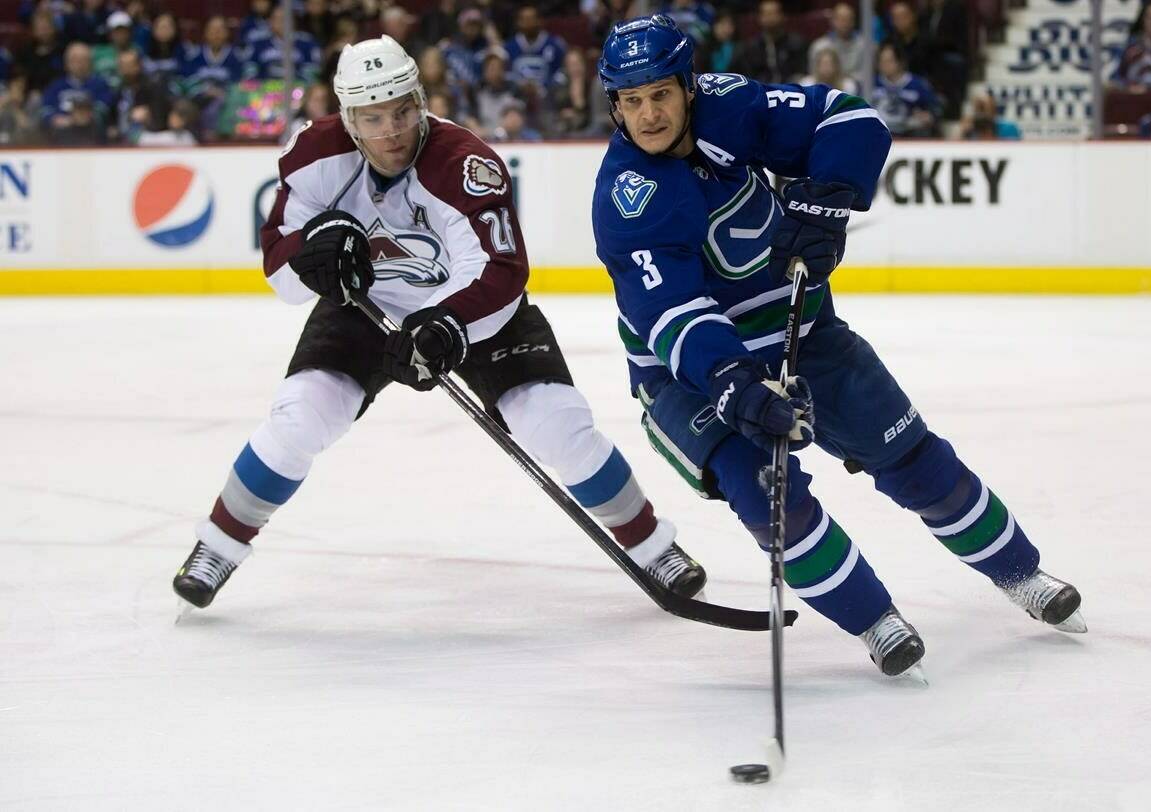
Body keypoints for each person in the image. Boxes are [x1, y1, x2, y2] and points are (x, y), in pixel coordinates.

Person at [590, 15, 1084, 679]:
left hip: (803, 330)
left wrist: (828, 197)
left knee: (912, 457)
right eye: (632, 100)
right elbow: (673, 314)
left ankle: (1020, 573)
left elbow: (851, 121)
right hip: (693, 377)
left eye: (661, 95)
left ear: (688, 88)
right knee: (775, 500)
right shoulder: (629, 198)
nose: (648, 114)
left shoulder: (731, 107)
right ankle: (876, 621)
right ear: (615, 106)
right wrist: (735, 382)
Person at [172, 35, 706, 611]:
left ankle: (654, 547)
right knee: (300, 417)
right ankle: (219, 544)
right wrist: (313, 255)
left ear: (420, 98)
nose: (392, 130)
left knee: (556, 424)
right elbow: (281, 273)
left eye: (402, 109)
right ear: (348, 117)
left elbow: (501, 271)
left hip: (473, 315)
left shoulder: (463, 163)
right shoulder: (314, 154)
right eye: (373, 118)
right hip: (364, 309)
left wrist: (443, 326)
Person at [871, 42, 942, 138]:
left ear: (900, 62)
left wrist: (928, 116)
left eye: (889, 61)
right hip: (878, 134)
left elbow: (935, 108)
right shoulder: (872, 83)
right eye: (882, 61)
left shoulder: (917, 85)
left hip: (909, 134)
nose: (884, 65)